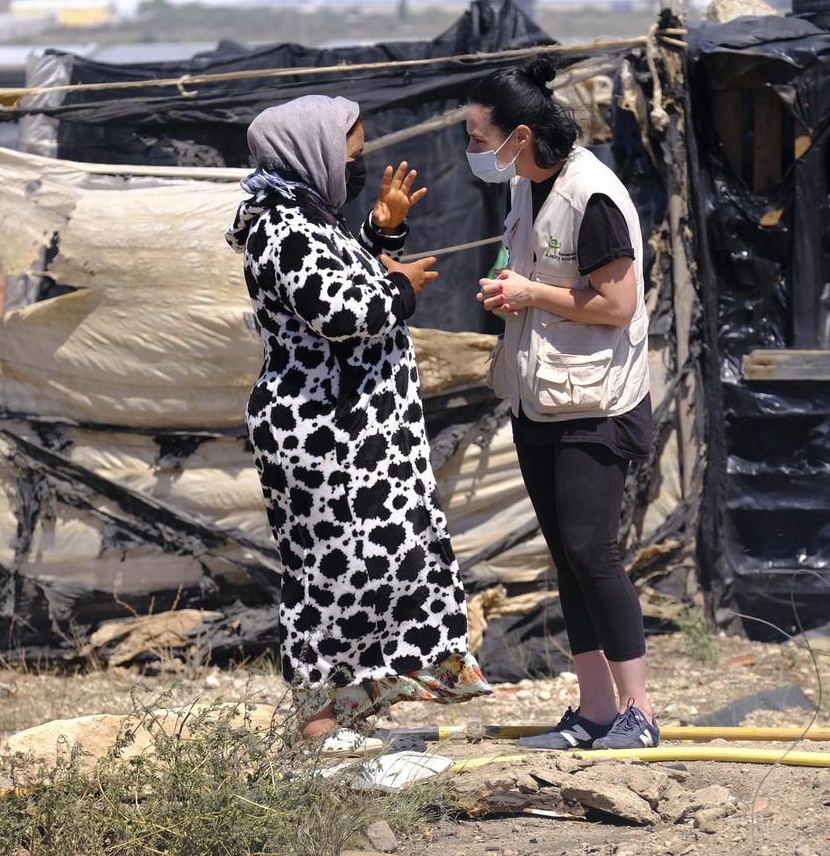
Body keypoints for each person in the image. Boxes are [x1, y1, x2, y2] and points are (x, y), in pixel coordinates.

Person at [225, 95, 492, 743]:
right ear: (310, 152)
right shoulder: (282, 228)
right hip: (323, 436)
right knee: (328, 575)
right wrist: (401, 289)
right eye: (351, 154)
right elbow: (342, 313)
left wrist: (381, 230)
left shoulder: (308, 218)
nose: (357, 164)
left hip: (357, 439)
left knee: (378, 566)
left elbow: (345, 275)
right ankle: (318, 727)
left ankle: (353, 710)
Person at [467, 55, 659, 751]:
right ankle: (595, 710)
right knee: (566, 554)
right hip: (538, 397)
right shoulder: (526, 186)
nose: (471, 150)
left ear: (520, 136)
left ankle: (638, 712)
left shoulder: (592, 195)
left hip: (595, 403)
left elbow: (617, 303)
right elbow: (526, 268)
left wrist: (531, 294)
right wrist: (505, 285)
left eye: (478, 138)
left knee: (592, 550)